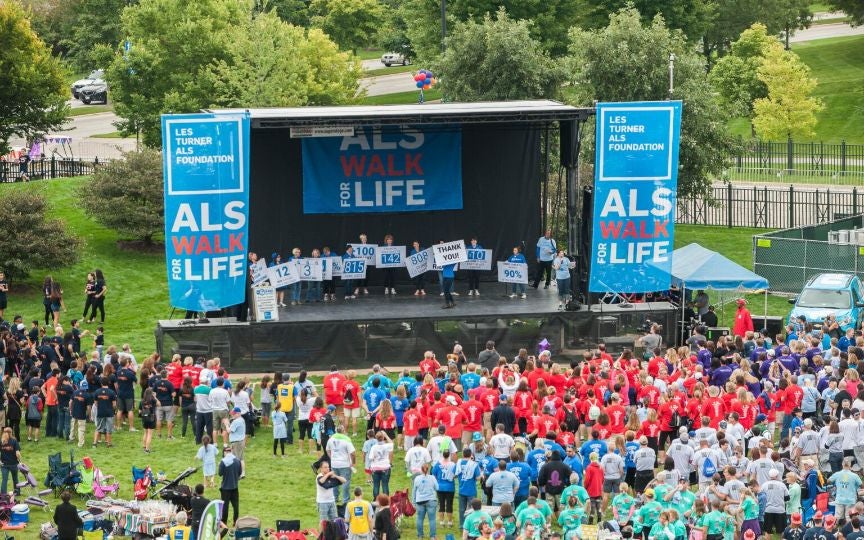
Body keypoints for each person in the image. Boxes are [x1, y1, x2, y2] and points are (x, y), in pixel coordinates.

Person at [414, 462, 439, 540]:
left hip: (420, 501)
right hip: (431, 500)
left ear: (421, 470)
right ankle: (432, 536)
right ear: (428, 470)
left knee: (420, 518)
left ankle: (420, 536)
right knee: (432, 519)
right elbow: (437, 488)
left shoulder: (417, 478)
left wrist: (414, 501)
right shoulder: (432, 478)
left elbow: (414, 490)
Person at [219, 446, 242, 526]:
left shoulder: (223, 462)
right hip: (235, 487)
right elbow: (240, 473)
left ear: (225, 452)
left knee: (225, 506)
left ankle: (224, 522)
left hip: (225, 487)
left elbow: (220, 473)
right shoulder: (237, 460)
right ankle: (235, 522)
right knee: (236, 506)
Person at [92, 377, 117, 447]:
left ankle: (94, 444)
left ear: (101, 383)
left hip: (100, 412)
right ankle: (109, 444)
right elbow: (114, 404)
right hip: (109, 413)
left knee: (98, 428)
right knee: (109, 429)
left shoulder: (97, 392)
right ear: (108, 383)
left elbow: (95, 403)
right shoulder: (112, 392)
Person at [369, 431, 394, 498]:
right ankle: (386, 502)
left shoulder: (373, 447)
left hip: (375, 468)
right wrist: (386, 435)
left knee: (376, 485)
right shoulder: (387, 445)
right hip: (385, 467)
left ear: (376, 438)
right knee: (385, 485)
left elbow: (370, 458)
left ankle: (376, 501)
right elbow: (391, 443)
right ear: (383, 438)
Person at [0, 427, 21, 495]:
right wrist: (19, 460)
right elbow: (17, 453)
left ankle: (3, 494)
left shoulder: (1, 441)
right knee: (15, 479)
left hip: (4, 464)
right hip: (14, 464)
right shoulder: (14, 440)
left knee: (4, 480)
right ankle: (17, 492)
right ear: (11, 433)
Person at [228, 407, 246, 478]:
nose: (233, 415)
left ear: (238, 413)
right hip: (240, 441)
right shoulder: (241, 420)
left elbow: (229, 431)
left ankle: (238, 474)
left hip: (236, 442)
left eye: (234, 414)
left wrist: (226, 425)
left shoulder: (236, 421)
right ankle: (242, 473)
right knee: (241, 458)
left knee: (237, 459)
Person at [139, 387, 157, 453]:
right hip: (151, 418)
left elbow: (139, 411)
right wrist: (155, 397)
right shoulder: (153, 400)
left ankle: (144, 446)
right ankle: (147, 449)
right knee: (149, 434)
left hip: (144, 418)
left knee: (145, 433)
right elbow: (159, 404)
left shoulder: (142, 401)